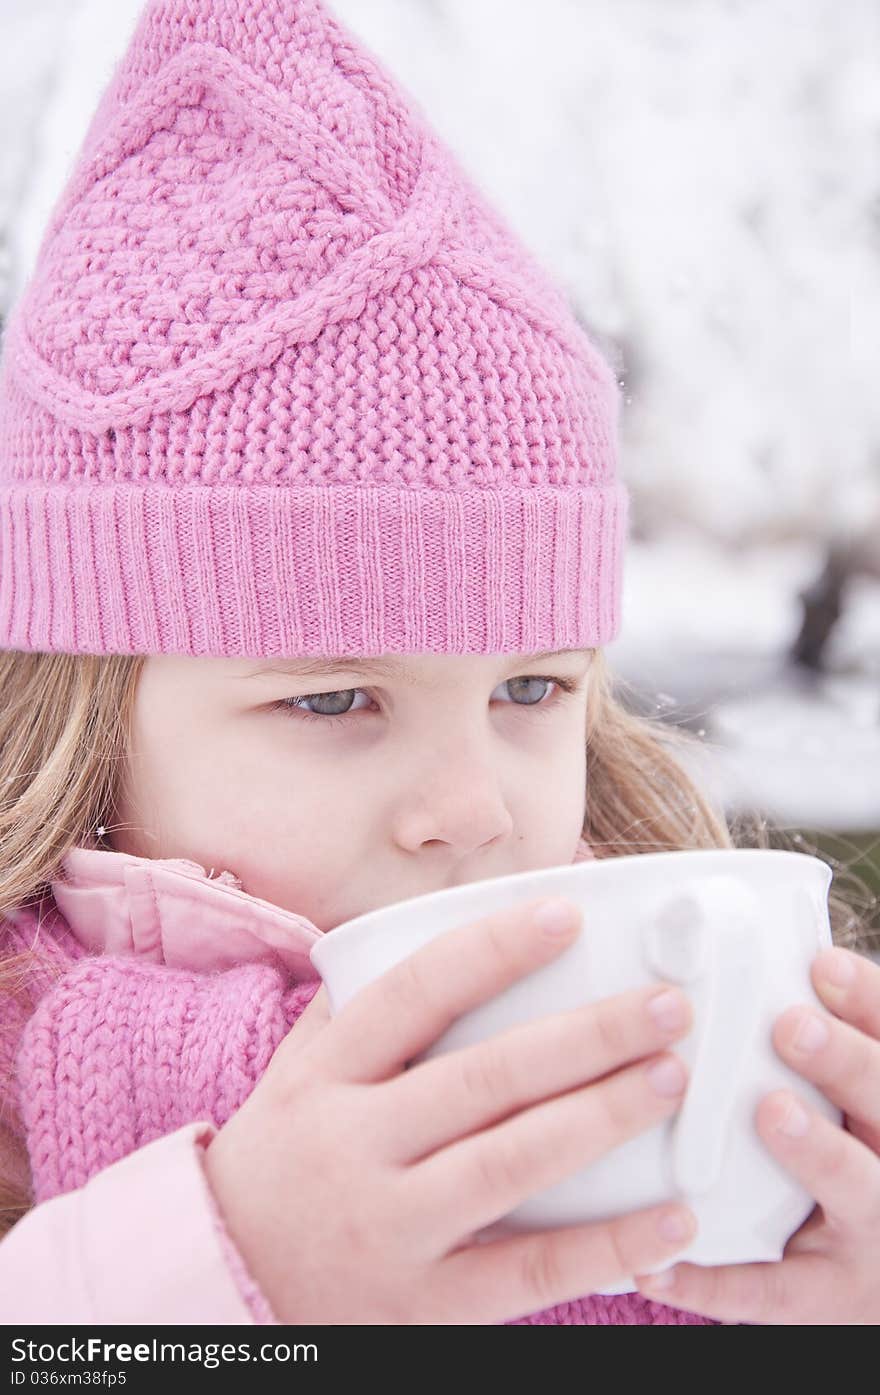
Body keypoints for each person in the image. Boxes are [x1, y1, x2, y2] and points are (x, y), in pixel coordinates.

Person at [0, 0, 877, 1327]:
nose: (474, 808)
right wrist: (223, 1277)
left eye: (531, 689)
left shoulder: (711, 1031)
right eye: (338, 697)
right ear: (85, 718)